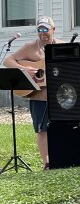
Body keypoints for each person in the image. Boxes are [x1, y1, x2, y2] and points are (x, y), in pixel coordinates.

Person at [2, 16, 63, 170]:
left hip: (59, 96)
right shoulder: (30, 47)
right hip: (38, 96)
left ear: (53, 30)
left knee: (62, 126)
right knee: (42, 129)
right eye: (39, 29)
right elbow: (8, 61)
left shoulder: (62, 46)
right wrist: (24, 69)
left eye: (45, 29)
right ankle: (47, 163)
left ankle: (63, 158)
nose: (42, 33)